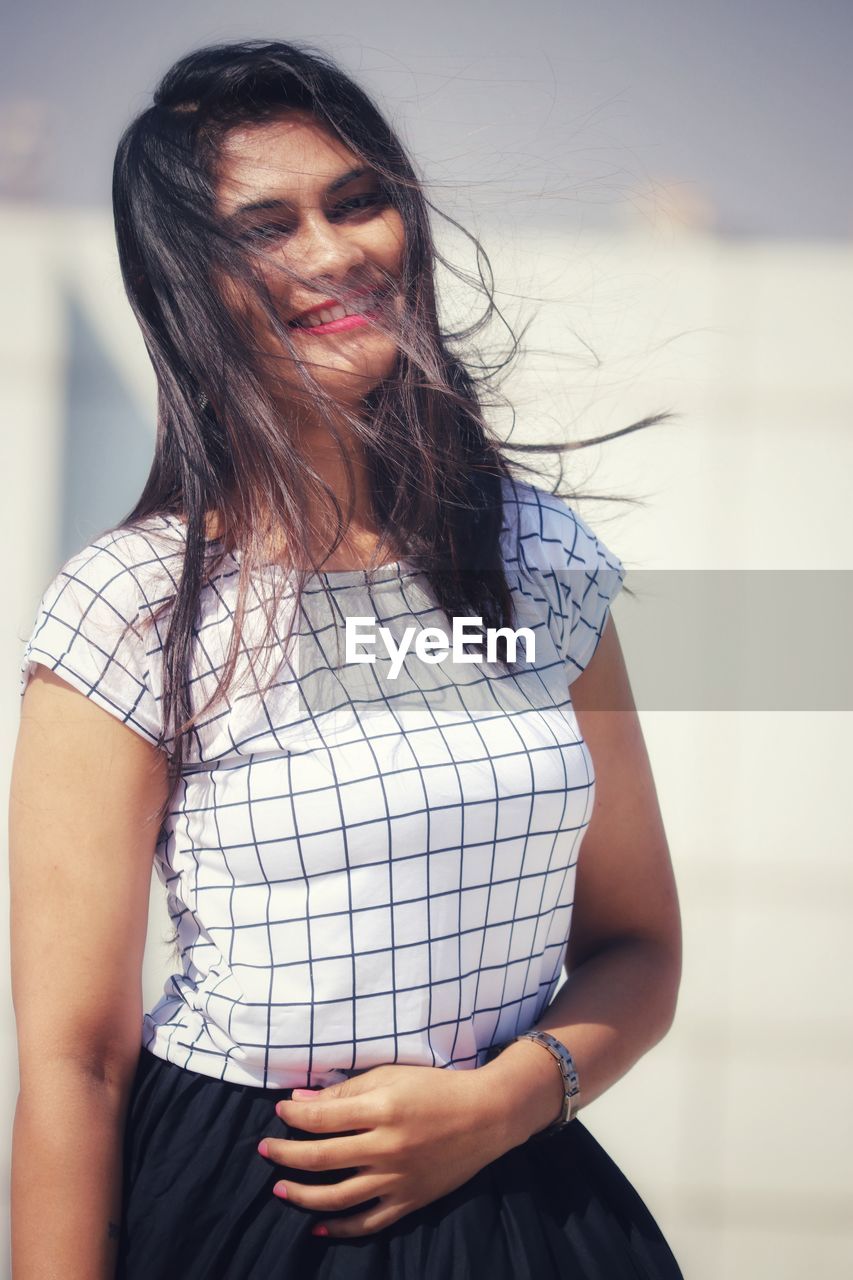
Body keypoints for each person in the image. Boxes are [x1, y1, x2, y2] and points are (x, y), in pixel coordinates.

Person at [9, 37, 684, 1280]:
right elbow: (75, 1062)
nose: (331, 253)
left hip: (529, 1199)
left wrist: (499, 1104)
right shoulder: (129, 605)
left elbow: (640, 946)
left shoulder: (542, 558)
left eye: (357, 199)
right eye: (264, 226)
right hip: (243, 1211)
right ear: (185, 284)